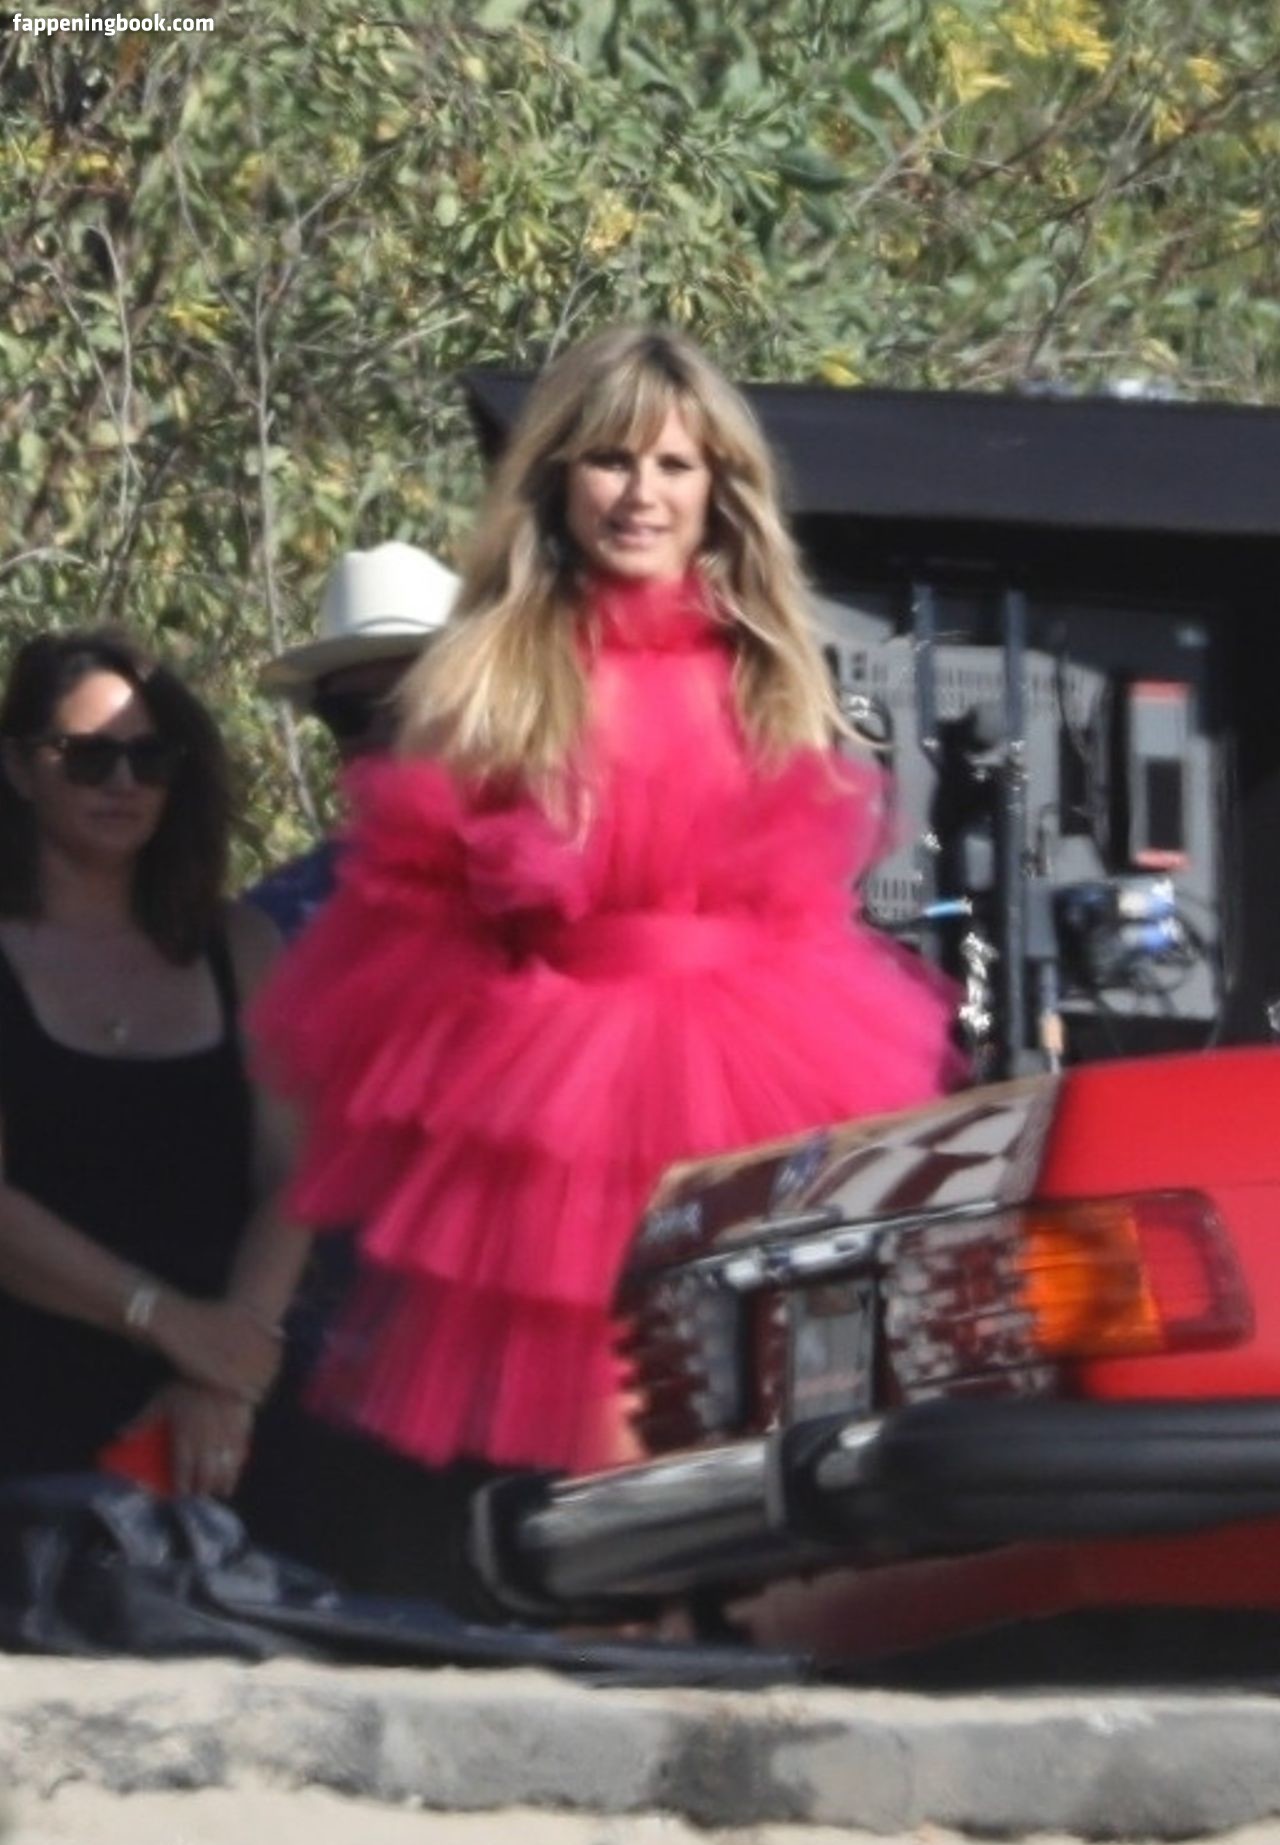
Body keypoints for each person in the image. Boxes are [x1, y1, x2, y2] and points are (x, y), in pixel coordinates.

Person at [253, 325, 960, 1485]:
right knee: (605, 1439)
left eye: (673, 464)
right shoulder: (489, 673)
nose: (641, 494)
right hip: (561, 1095)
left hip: (765, 1073)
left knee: (758, 1419)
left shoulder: (766, 667)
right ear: (558, 476)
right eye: (610, 460)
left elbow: (799, 901)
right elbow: (404, 913)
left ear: (718, 489)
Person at [0, 628, 307, 1498]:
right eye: (87, 757)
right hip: (34, 1419)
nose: (124, 783)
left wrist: (230, 1358)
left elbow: (295, 1176)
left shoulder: (243, 945)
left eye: (151, 757)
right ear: (18, 769)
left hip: (228, 1423)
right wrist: (169, 1322)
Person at [248, 541, 459, 939]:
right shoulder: (273, 921)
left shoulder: (542, 894)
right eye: (347, 714)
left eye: (405, 706)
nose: (378, 734)